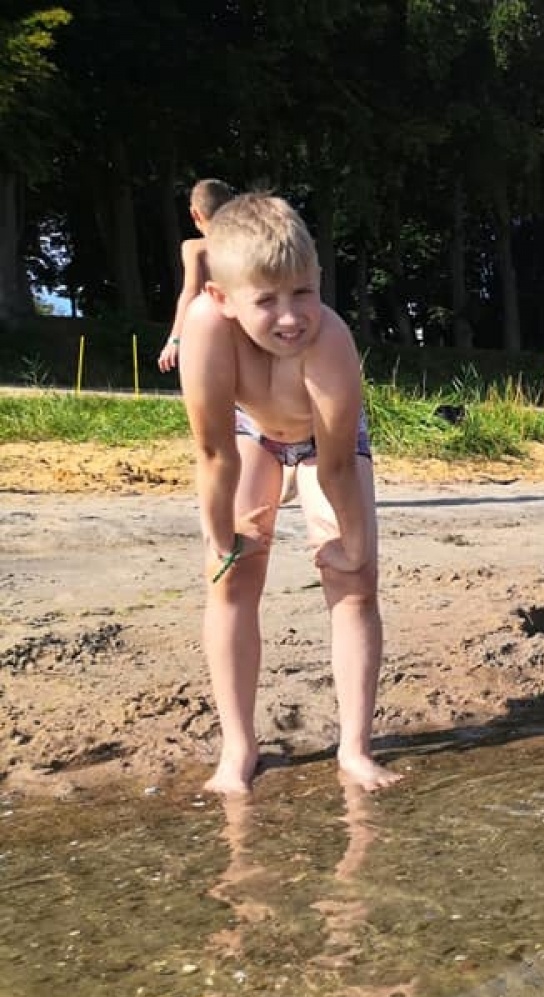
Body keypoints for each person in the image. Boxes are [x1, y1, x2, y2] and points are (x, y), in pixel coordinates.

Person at [179, 192, 400, 794]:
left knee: (355, 584)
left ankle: (354, 749)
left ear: (319, 280)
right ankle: (237, 749)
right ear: (221, 297)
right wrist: (221, 535)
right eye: (266, 300)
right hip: (252, 435)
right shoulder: (205, 328)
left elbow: (333, 469)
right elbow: (213, 450)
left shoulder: (330, 341)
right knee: (230, 579)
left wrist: (353, 547)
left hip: (325, 444)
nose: (290, 317)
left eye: (303, 292)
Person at [158, 178, 234, 373]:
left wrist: (175, 339)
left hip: (210, 329)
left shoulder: (195, 248)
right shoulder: (248, 245)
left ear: (194, 213)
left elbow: (190, 292)